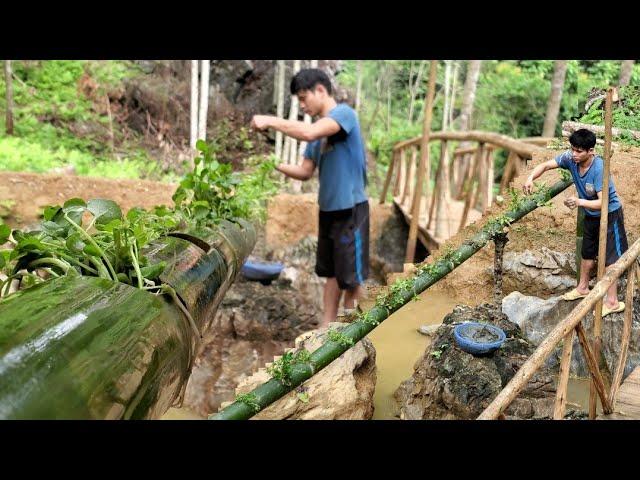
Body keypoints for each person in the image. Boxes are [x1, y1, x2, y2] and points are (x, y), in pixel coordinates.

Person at [251, 68, 369, 327]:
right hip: (328, 210)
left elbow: (308, 132)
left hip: (351, 210)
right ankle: (325, 328)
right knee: (331, 274)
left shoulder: (343, 115)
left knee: (351, 278)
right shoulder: (316, 136)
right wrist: (274, 164)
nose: (302, 105)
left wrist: (270, 121)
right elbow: (305, 171)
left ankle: (352, 332)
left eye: (304, 98)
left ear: (321, 90)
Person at [523, 128, 628, 317]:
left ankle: (612, 302)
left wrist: (578, 201)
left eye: (579, 151)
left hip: (609, 215)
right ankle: (582, 287)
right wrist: (530, 178)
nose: (574, 154)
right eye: (573, 149)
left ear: (590, 151)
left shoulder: (598, 169)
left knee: (610, 260)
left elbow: (602, 202)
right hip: (590, 215)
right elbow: (546, 165)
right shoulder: (570, 159)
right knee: (587, 254)